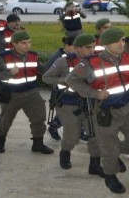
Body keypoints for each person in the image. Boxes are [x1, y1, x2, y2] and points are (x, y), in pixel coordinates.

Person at [66, 27, 129, 194]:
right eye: (117, 41)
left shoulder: (128, 56)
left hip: (128, 106)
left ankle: (114, 153)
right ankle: (110, 176)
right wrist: (94, 94)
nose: (121, 44)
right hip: (106, 111)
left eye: (123, 40)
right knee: (108, 147)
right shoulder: (91, 62)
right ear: (105, 44)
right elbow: (72, 80)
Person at [42, 34, 104, 176]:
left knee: (94, 133)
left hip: (90, 101)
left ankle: (94, 164)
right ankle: (65, 153)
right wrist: (66, 80)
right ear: (77, 48)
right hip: (68, 102)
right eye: (88, 47)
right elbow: (46, 77)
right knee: (73, 135)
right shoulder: (63, 61)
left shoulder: (95, 60)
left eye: (94, 47)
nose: (92, 50)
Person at [0, 31, 54, 155]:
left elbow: (41, 70)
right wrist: (8, 73)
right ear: (14, 43)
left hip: (32, 92)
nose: (27, 45)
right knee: (5, 120)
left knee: (39, 118)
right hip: (11, 94)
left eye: (29, 42)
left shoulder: (33, 55)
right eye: (24, 43)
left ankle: (38, 143)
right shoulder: (3, 57)